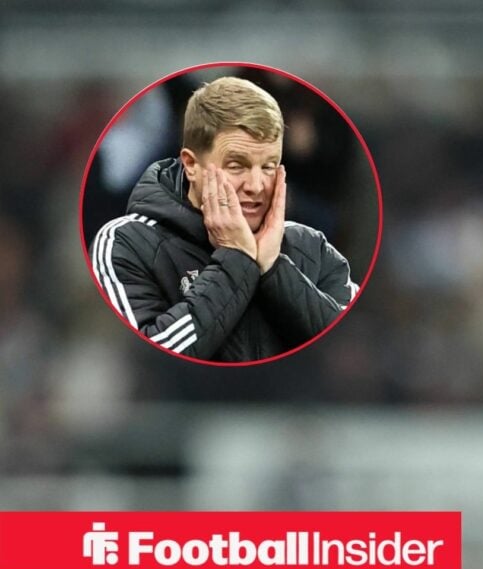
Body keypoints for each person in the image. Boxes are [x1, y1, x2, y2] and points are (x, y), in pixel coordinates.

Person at [90, 76, 358, 362]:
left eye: (268, 166)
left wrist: (273, 269)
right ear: (192, 165)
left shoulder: (310, 244)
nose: (256, 185)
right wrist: (237, 258)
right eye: (236, 165)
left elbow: (340, 344)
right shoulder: (127, 242)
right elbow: (162, 353)